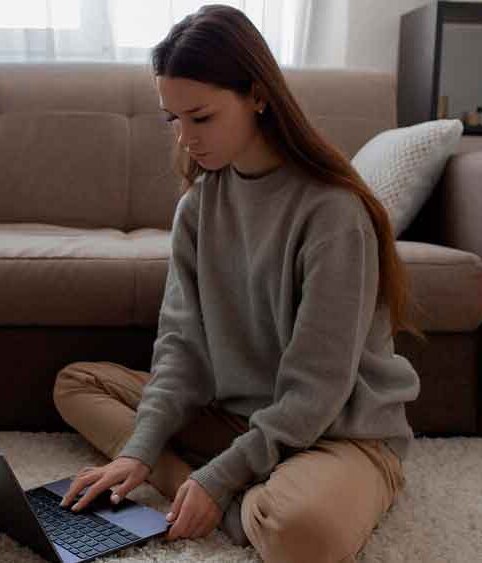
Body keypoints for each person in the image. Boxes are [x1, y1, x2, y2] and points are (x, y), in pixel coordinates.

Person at [52, 4, 423, 562]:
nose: (185, 139)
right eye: (172, 119)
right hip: (236, 417)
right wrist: (137, 453)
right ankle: (189, 483)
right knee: (77, 384)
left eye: (201, 118)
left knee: (301, 535)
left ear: (258, 96)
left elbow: (316, 392)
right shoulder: (198, 208)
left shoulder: (333, 214)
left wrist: (218, 477)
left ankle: (195, 489)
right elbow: (180, 347)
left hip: (338, 432)